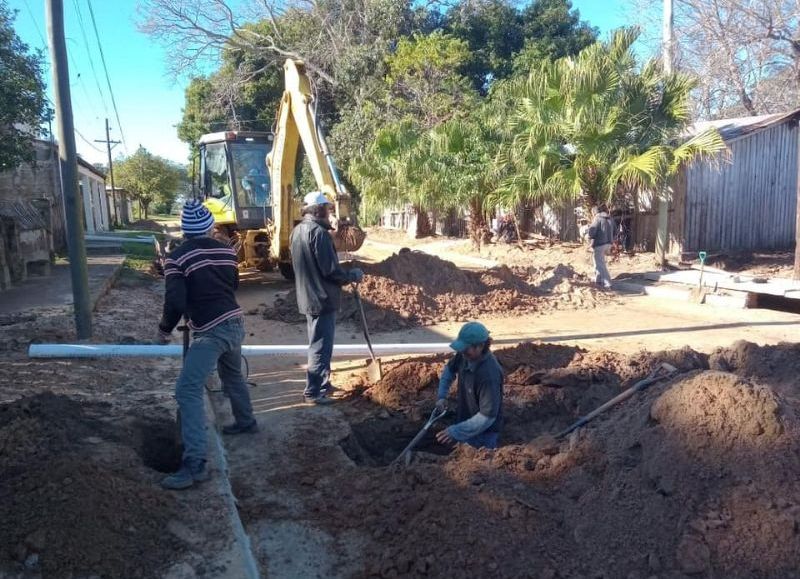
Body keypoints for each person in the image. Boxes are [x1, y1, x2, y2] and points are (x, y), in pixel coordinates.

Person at [157, 200, 257, 490]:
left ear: (185, 230)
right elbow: (232, 285)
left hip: (211, 331)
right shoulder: (227, 251)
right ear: (209, 226)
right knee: (232, 375)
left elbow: (174, 300)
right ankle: (245, 421)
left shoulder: (177, 257)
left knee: (187, 390)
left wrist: (165, 329)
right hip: (235, 322)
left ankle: (194, 465)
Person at [291, 191, 363, 405]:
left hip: (308, 296)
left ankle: (323, 383)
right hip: (321, 298)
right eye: (327, 208)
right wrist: (351, 275)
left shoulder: (297, 231)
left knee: (321, 343)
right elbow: (330, 270)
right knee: (320, 346)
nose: (330, 212)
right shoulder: (319, 234)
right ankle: (313, 392)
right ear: (319, 209)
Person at [434, 322, 504, 450]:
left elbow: (486, 417)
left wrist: (456, 431)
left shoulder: (489, 375)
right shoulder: (464, 355)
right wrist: (442, 396)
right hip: (465, 422)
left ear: (481, 346)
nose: (463, 353)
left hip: (484, 435)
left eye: (466, 350)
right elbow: (449, 370)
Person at [587, 204, 615, 289]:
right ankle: (598, 281)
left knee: (600, 264)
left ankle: (608, 283)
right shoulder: (610, 218)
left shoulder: (597, 218)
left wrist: (589, 236)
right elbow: (616, 231)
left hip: (600, 244)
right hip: (609, 243)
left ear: (594, 212)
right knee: (597, 262)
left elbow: (592, 231)